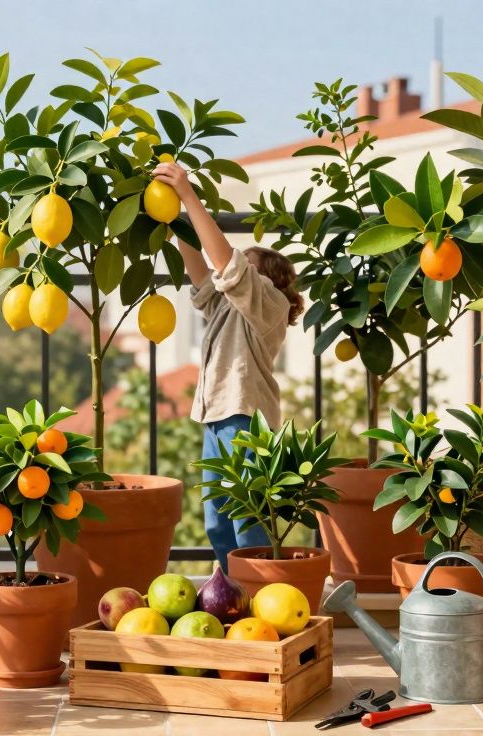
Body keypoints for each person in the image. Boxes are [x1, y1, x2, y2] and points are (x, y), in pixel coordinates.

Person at [152, 161, 304, 570]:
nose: (230, 267)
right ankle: (235, 591)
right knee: (217, 522)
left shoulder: (270, 305)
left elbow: (224, 265)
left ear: (266, 278)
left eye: (245, 261)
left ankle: (260, 594)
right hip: (217, 418)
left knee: (246, 521)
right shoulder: (227, 307)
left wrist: (188, 194)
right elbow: (203, 274)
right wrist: (176, 222)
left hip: (245, 418)